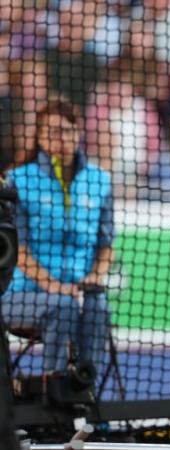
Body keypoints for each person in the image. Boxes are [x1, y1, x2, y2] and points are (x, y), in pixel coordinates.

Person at [1, 100, 113, 383]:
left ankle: (85, 387)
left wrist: (93, 278)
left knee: (98, 306)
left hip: (77, 291)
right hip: (22, 295)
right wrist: (55, 287)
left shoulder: (99, 181)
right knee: (61, 306)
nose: (61, 139)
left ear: (78, 133)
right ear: (39, 137)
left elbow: (105, 245)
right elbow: (19, 252)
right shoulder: (17, 181)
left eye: (67, 131)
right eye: (52, 132)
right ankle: (55, 390)